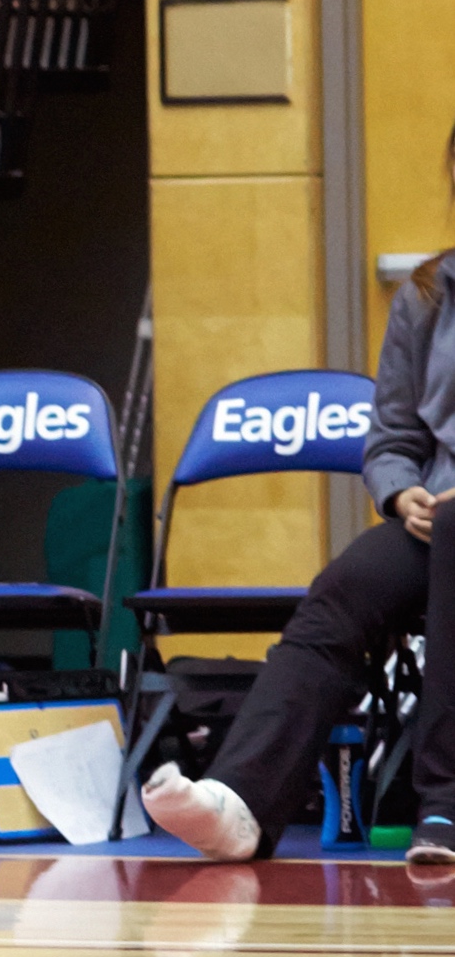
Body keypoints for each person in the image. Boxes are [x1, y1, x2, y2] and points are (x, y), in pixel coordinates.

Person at [144, 118, 455, 868]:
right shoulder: (425, 294)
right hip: (436, 517)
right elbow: (390, 438)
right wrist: (398, 493)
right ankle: (242, 802)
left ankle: (442, 802)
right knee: (343, 589)